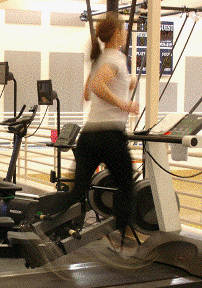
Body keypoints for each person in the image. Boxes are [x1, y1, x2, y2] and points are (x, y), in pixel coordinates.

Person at [61, 13, 139, 244]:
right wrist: (124, 103)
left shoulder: (101, 59)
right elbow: (96, 86)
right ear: (116, 34)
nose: (126, 34)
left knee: (78, 190)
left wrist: (126, 82)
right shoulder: (115, 58)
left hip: (89, 135)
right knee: (127, 186)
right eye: (123, 30)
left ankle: (55, 227)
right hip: (109, 135)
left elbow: (88, 92)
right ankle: (122, 242)